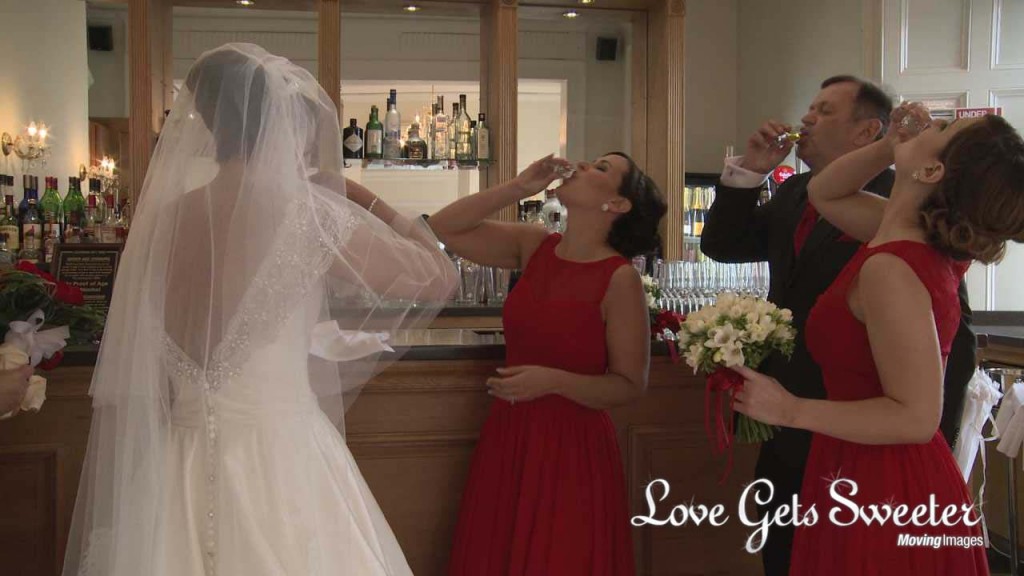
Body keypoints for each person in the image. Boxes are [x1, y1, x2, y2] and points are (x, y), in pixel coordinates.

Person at [61, 44, 457, 576]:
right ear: (283, 124)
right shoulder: (307, 215)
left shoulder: (165, 222)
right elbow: (438, 278)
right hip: (281, 464)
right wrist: (367, 201)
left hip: (178, 461)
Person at [700, 75, 976, 575]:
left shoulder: (908, 206)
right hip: (791, 431)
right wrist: (750, 175)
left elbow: (951, 337)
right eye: (809, 107)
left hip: (866, 429)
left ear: (865, 131)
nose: (806, 118)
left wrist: (938, 439)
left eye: (824, 110)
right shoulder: (797, 193)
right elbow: (724, 245)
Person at [431, 153, 666, 575]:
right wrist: (519, 187)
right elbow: (445, 226)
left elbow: (631, 383)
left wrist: (553, 382)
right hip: (510, 433)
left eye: (601, 168)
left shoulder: (620, 278)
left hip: (571, 448)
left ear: (618, 204)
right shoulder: (536, 245)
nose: (582, 166)